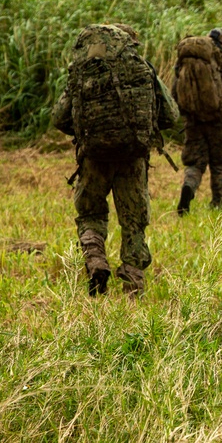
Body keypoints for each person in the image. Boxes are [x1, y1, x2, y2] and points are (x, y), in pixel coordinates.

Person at [52, 23, 179, 297]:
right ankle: (134, 286)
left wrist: (88, 132)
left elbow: (58, 117)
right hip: (132, 157)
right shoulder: (141, 69)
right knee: (133, 222)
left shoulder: (83, 71)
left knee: (90, 214)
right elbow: (171, 114)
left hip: (93, 158)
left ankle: (96, 261)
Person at [174, 27, 222, 215]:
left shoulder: (185, 63)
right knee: (219, 162)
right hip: (219, 120)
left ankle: (189, 187)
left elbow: (174, 93)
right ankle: (218, 203)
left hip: (193, 121)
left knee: (195, 163)